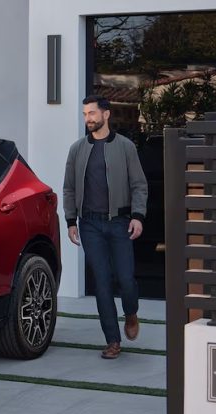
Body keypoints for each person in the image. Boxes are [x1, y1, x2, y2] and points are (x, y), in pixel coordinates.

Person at [62, 95, 148, 360]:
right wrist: (70, 221)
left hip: (120, 222)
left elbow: (139, 185)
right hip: (90, 225)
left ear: (106, 114)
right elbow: (69, 187)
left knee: (125, 279)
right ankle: (112, 340)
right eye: (85, 114)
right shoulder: (77, 149)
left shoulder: (125, 147)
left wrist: (137, 215)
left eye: (91, 113)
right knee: (101, 283)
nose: (87, 118)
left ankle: (131, 312)